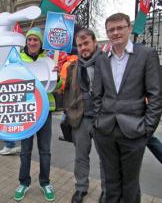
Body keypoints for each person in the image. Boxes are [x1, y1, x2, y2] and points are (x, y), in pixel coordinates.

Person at [93, 13, 162, 203]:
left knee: (130, 184)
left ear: (129, 28)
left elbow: (156, 96)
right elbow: (96, 95)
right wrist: (98, 123)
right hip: (106, 131)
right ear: (107, 33)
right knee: (111, 181)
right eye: (111, 30)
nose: (115, 33)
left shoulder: (146, 55)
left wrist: (147, 129)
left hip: (135, 132)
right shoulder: (101, 60)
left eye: (119, 27)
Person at [62, 28, 106, 203]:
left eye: (86, 43)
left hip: (103, 119)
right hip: (80, 120)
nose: (83, 48)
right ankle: (81, 189)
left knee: (105, 159)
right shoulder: (73, 66)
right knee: (81, 157)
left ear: (95, 42)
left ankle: (106, 190)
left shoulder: (106, 63)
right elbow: (66, 91)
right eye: (80, 45)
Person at [13, 27, 56, 202]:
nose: (32, 42)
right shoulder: (18, 59)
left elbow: (57, 87)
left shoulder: (49, 60)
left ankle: (45, 182)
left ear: (40, 43)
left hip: (45, 112)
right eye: (29, 39)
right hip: (27, 112)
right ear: (26, 42)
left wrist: (57, 78)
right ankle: (24, 182)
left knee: (45, 151)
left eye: (35, 40)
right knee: (25, 151)